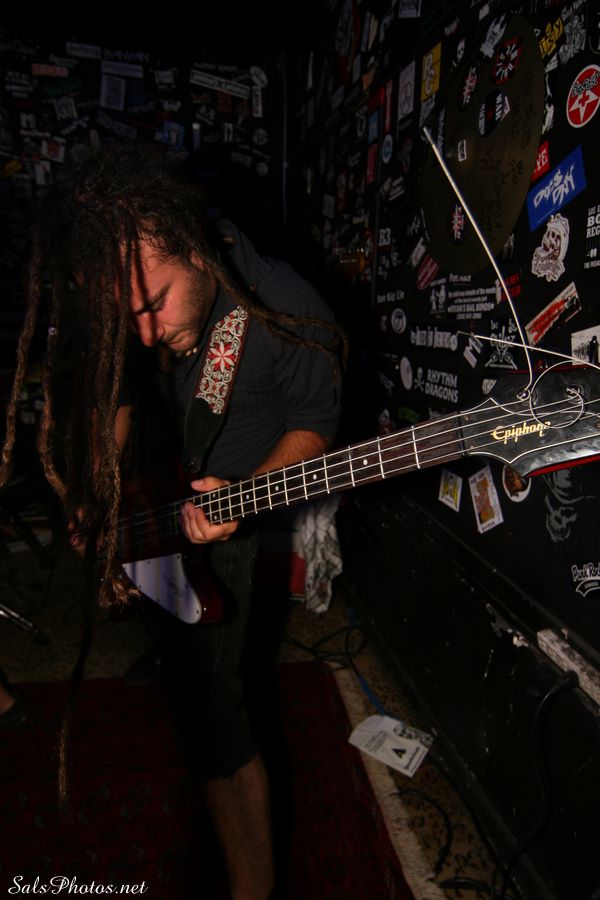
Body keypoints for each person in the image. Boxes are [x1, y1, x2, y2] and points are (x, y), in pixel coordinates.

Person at [0, 146, 344, 900]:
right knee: (183, 671)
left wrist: (243, 496)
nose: (147, 332)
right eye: (130, 316)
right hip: (151, 507)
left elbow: (314, 427)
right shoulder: (132, 297)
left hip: (228, 530)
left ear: (195, 247)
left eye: (155, 304)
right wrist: (98, 488)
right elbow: (122, 393)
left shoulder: (284, 305)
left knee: (219, 728)